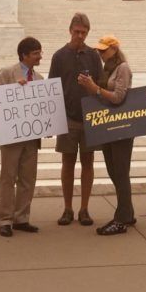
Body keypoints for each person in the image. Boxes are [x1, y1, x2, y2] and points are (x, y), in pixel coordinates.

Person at [49, 12, 103, 226]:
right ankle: (68, 208)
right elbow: (52, 86)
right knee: (68, 162)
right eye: (77, 32)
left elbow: (101, 83)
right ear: (70, 30)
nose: (80, 36)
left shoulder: (93, 55)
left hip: (90, 116)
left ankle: (84, 209)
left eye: (84, 32)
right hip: (68, 117)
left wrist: (92, 86)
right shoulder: (59, 56)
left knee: (88, 162)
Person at [79, 36, 135, 235]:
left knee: (120, 172)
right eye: (99, 50)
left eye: (104, 50)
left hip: (121, 126)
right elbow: (102, 95)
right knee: (114, 171)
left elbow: (119, 97)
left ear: (114, 49)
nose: (100, 54)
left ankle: (121, 219)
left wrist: (96, 88)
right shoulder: (107, 69)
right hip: (108, 125)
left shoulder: (122, 68)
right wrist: (90, 87)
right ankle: (127, 213)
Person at [0, 37, 43, 237]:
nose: (40, 56)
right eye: (36, 53)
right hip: (11, 136)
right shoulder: (7, 73)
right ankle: (5, 219)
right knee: (8, 177)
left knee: (28, 178)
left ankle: (22, 218)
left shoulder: (39, 78)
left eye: (40, 52)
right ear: (24, 55)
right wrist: (13, 88)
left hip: (31, 137)